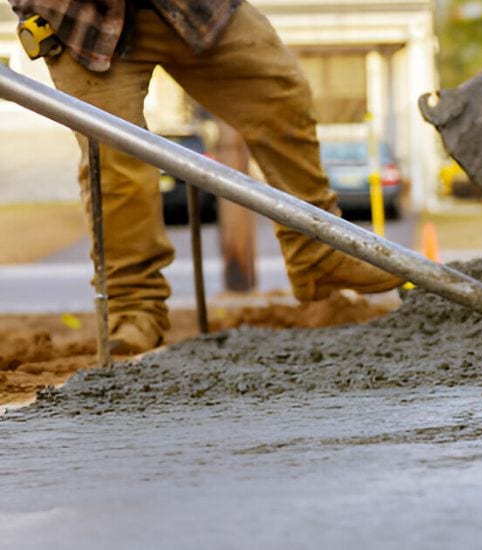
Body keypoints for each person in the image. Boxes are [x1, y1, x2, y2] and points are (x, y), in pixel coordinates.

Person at [6, 0, 402, 353]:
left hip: (194, 8)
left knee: (280, 93)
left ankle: (320, 256)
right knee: (115, 163)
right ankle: (133, 307)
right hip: (80, 19)